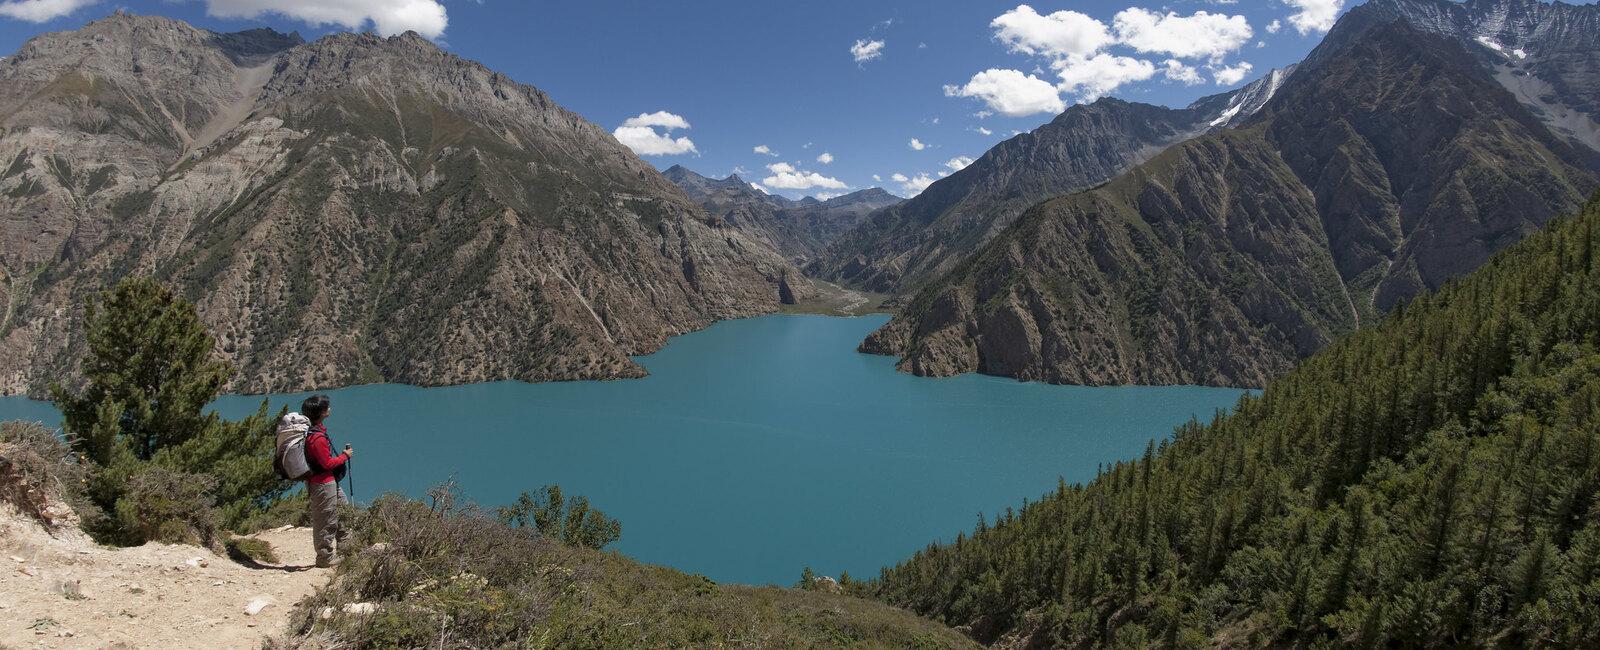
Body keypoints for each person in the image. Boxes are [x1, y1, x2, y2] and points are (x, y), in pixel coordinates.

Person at [300, 394, 353, 567]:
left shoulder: (316, 431)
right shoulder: (317, 438)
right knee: (326, 519)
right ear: (321, 412)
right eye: (327, 407)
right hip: (322, 484)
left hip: (329, 481)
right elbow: (327, 463)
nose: (330, 409)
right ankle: (324, 558)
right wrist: (345, 456)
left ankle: (347, 549)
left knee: (344, 511)